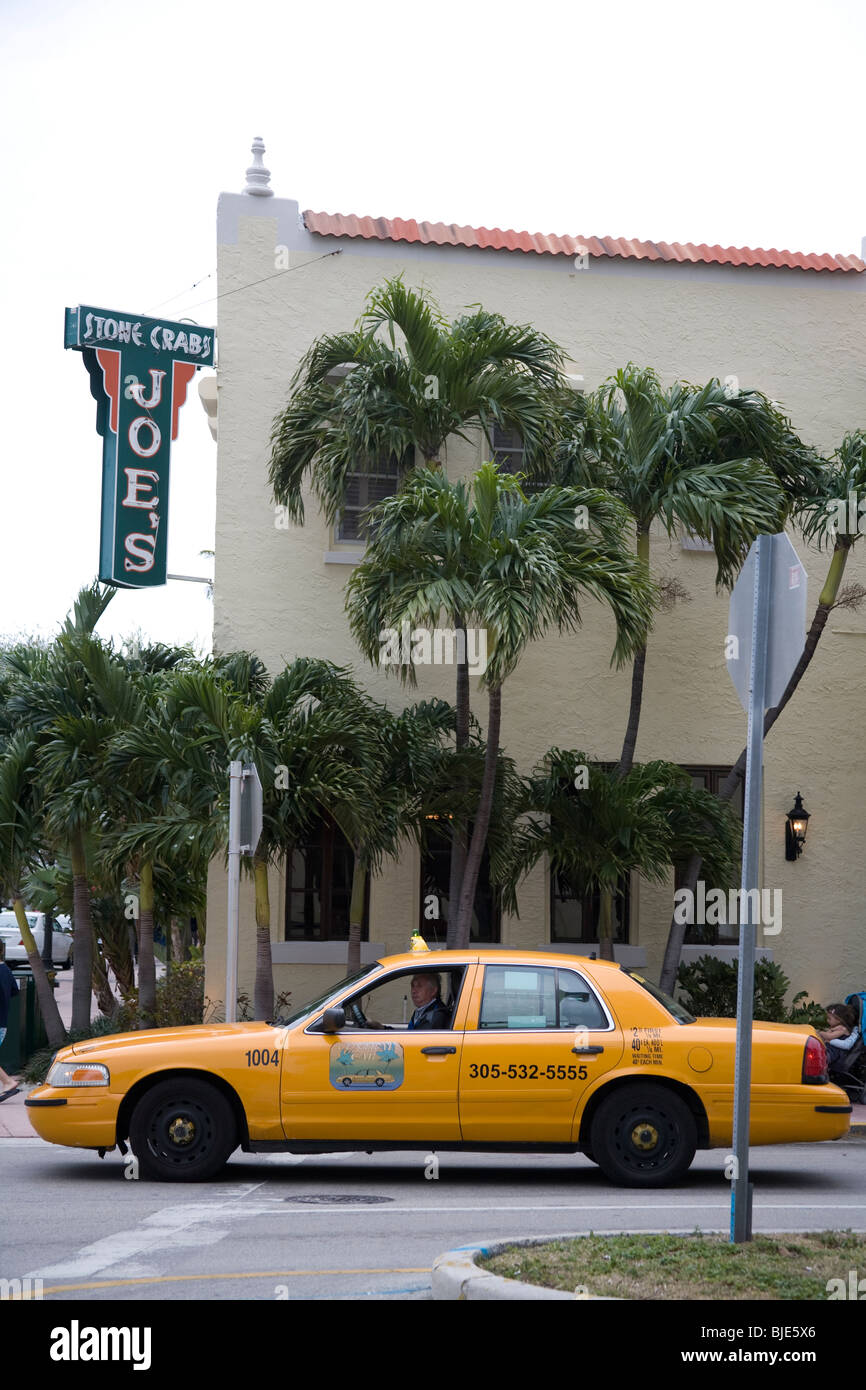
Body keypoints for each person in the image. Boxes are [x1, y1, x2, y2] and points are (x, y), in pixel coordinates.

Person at [0, 941, 20, 1101]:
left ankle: (8, 1082)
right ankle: (7, 1082)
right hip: (3, 1022)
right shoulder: (6, 970)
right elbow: (14, 991)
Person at [819, 1002, 859, 1071]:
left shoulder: (842, 1029)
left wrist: (820, 1033)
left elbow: (829, 1036)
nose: (827, 1020)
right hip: (830, 1051)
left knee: (820, 1059)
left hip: (834, 1054)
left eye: (829, 1018)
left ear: (838, 1019)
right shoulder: (836, 1027)